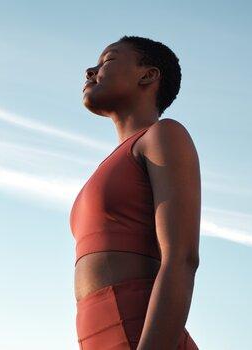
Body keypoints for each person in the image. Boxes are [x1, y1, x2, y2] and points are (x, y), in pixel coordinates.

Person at [70, 35, 201, 349]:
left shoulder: (163, 135)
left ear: (148, 75)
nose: (91, 70)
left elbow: (182, 258)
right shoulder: (110, 164)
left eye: (109, 60)